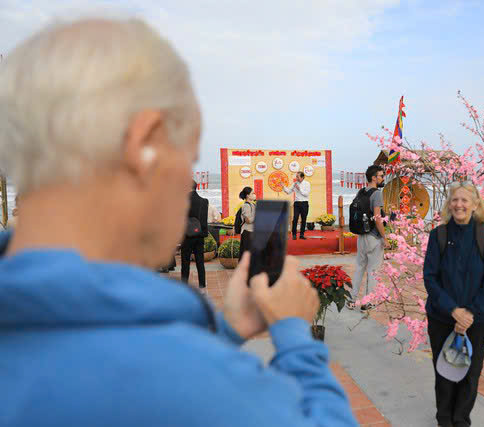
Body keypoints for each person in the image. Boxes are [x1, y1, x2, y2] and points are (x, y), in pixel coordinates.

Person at [0, 18, 356, 427]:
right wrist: (294, 335)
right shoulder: (180, 375)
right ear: (144, 145)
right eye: (187, 156)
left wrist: (227, 330)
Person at [423, 181, 484, 427]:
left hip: (477, 318)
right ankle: (444, 419)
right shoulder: (439, 235)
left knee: (470, 373)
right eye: (455, 200)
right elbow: (430, 277)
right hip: (442, 316)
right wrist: (454, 311)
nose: (459, 205)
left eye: (465, 200)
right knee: (444, 372)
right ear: (449, 204)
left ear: (475, 204)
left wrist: (469, 314)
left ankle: (461, 420)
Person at [348, 165, 389, 311]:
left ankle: (352, 300)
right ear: (374, 177)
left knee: (359, 268)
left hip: (361, 236)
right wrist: (385, 237)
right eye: (381, 175)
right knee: (373, 270)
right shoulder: (376, 193)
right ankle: (367, 302)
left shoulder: (361, 191)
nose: (383, 178)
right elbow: (377, 218)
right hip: (373, 237)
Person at [181, 180, 209, 289]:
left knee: (185, 261)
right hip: (199, 235)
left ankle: (184, 284)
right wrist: (203, 233)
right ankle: (202, 284)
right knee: (200, 261)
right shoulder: (204, 201)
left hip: (186, 235)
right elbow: (204, 220)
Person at [283, 171, 310, 240]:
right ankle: (294, 234)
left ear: (302, 177)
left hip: (304, 203)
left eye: (298, 176)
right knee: (295, 219)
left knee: (304, 219)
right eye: (296, 176)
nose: (296, 178)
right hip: (297, 203)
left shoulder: (307, 184)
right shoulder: (295, 183)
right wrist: (283, 187)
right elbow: (288, 192)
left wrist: (299, 189)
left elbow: (306, 194)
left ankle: (302, 234)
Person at [238, 186, 256, 258]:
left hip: (251, 231)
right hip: (247, 232)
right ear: (248, 195)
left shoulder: (252, 204)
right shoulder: (246, 206)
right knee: (246, 253)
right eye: (253, 193)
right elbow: (248, 220)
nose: (254, 195)